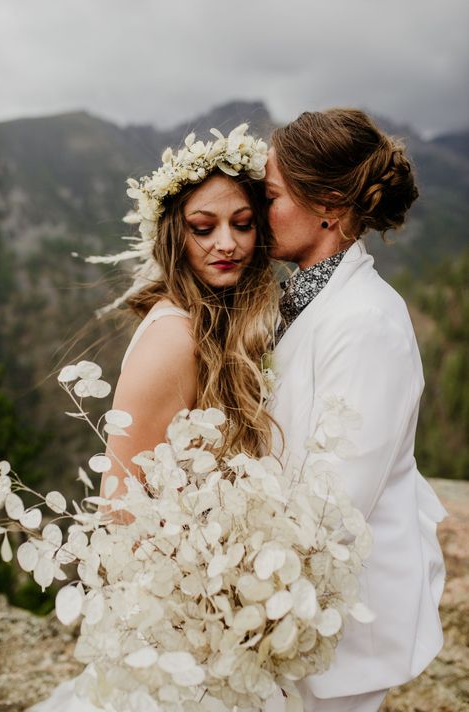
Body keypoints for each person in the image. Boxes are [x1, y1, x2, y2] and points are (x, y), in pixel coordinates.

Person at [29, 124, 280, 712]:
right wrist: (192, 620)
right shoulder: (176, 337)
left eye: (243, 224)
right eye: (203, 227)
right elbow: (121, 509)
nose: (227, 243)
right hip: (176, 623)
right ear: (174, 235)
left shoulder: (221, 327)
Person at [265, 108, 447, 712]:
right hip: (286, 601)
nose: (257, 215)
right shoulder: (301, 298)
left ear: (329, 206)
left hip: (337, 625)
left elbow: (337, 501)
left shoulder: (368, 322)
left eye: (270, 197)